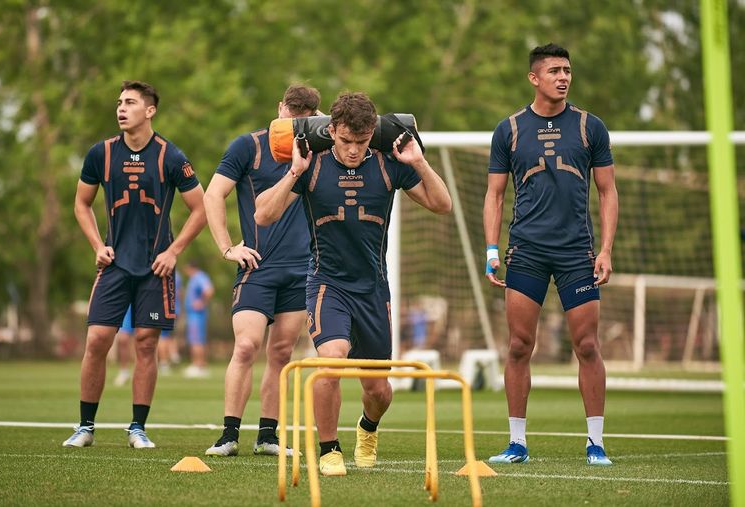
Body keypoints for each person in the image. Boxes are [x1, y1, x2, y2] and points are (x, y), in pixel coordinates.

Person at [254, 91, 452, 476]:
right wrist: (293, 171)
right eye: (346, 142)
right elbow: (263, 215)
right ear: (331, 131)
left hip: (374, 289)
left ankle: (368, 427)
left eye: (361, 142)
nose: (353, 151)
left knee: (378, 391)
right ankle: (329, 449)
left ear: (372, 134)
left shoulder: (387, 163)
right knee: (331, 360)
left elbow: (441, 204)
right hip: (327, 283)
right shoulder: (311, 164)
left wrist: (420, 163)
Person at [483, 43, 618, 466]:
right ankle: (517, 443)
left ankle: (595, 443)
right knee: (520, 345)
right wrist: (491, 249)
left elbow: (608, 192)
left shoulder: (590, 127)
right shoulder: (509, 129)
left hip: (577, 252)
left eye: (567, 70)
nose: (563, 77)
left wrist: (607, 250)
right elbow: (494, 195)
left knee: (587, 345)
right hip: (526, 251)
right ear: (534, 78)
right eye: (555, 70)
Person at [64, 80, 206, 449]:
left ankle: (137, 428)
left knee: (146, 345)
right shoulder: (101, 153)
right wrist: (97, 244)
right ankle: (85, 427)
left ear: (150, 110)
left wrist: (173, 251)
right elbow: (81, 204)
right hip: (114, 265)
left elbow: (201, 209)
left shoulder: (171, 157)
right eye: (119, 102)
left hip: (155, 270)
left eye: (130, 102)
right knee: (97, 340)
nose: (121, 109)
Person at [202, 84, 321, 457]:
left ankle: (267, 436)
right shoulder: (247, 146)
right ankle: (228, 434)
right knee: (246, 345)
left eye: (305, 115)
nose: (294, 119)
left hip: (301, 267)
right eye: (290, 111)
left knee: (282, 352)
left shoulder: (319, 148)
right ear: (279, 108)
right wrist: (227, 247)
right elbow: (212, 194)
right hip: (258, 266)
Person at [183, 261, 214, 378]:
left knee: (197, 340)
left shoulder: (199, 277)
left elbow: (209, 290)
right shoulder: (194, 278)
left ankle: (199, 365)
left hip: (197, 315)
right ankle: (198, 364)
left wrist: (202, 302)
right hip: (192, 315)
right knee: (195, 339)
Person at [112, 306, 134, 387]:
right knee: (122, 339)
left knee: (143, 340)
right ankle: (124, 371)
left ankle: (139, 371)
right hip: (128, 303)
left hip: (145, 299)